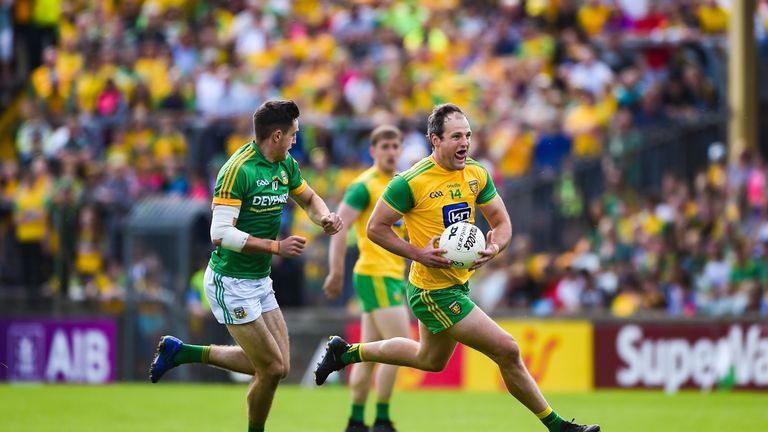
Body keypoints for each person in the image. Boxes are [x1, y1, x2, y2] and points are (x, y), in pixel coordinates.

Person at [315, 104, 600, 432]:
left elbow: (502, 223)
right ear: (435, 140)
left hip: (457, 284)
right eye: (456, 137)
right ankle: (558, 427)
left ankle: (345, 353)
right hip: (432, 291)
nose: (465, 143)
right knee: (507, 349)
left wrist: (494, 247)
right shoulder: (410, 182)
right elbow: (375, 228)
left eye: (467, 135)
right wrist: (418, 254)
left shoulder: (476, 173)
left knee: (429, 360)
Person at [149, 100, 342, 432]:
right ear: (277, 135)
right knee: (271, 368)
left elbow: (309, 199)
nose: (296, 140)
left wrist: (324, 216)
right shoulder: (238, 170)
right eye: (293, 134)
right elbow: (220, 234)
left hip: (259, 278)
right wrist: (276, 246)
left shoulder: (285, 164)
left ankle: (181, 353)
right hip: (230, 281)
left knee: (279, 366)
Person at [322, 125, 410, 432]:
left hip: (390, 275)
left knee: (369, 354)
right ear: (373, 151)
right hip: (375, 273)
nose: (390, 152)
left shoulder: (400, 183)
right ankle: (382, 420)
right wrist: (335, 271)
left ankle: (356, 421)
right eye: (384, 146)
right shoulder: (364, 186)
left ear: (401, 150)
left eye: (395, 146)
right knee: (403, 346)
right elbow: (339, 226)